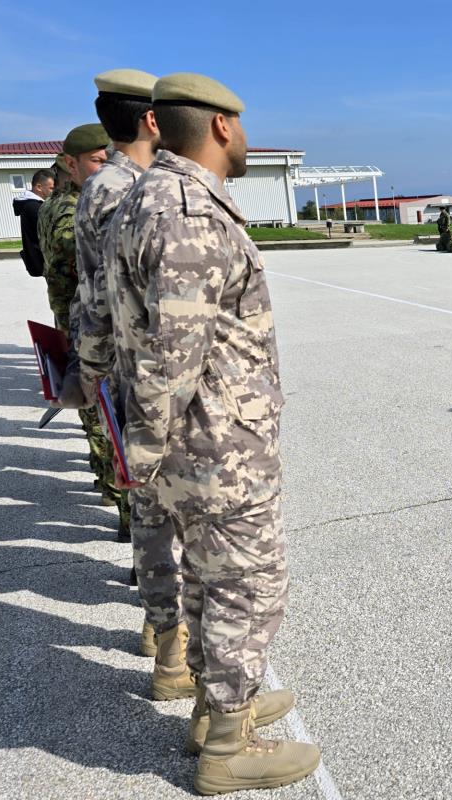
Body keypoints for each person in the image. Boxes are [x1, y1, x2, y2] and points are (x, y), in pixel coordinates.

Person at [106, 72, 319, 794]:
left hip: (195, 446)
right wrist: (144, 449)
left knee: (207, 578)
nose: (248, 137)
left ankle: (214, 707)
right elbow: (174, 350)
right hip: (217, 448)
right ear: (223, 126)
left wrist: (146, 449)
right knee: (247, 586)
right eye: (244, 124)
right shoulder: (188, 210)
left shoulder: (152, 195)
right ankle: (229, 744)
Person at [68, 69, 198, 697]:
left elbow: (89, 298)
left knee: (148, 517)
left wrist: (87, 372)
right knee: (181, 519)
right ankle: (181, 656)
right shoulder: (142, 192)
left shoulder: (97, 188)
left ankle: (163, 640)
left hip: (123, 377)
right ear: (152, 119)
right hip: (160, 383)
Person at [37, 124, 124, 533]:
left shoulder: (59, 203)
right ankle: (123, 502)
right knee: (104, 412)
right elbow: (76, 266)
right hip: (85, 323)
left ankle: (105, 478)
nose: (106, 167)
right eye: (97, 160)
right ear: (70, 164)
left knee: (95, 413)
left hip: (73, 318)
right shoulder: (73, 209)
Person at [15, 169, 55, 277]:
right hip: (45, 262)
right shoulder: (35, 207)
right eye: (51, 188)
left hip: (41, 261)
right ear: (39, 187)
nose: (55, 191)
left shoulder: (31, 204)